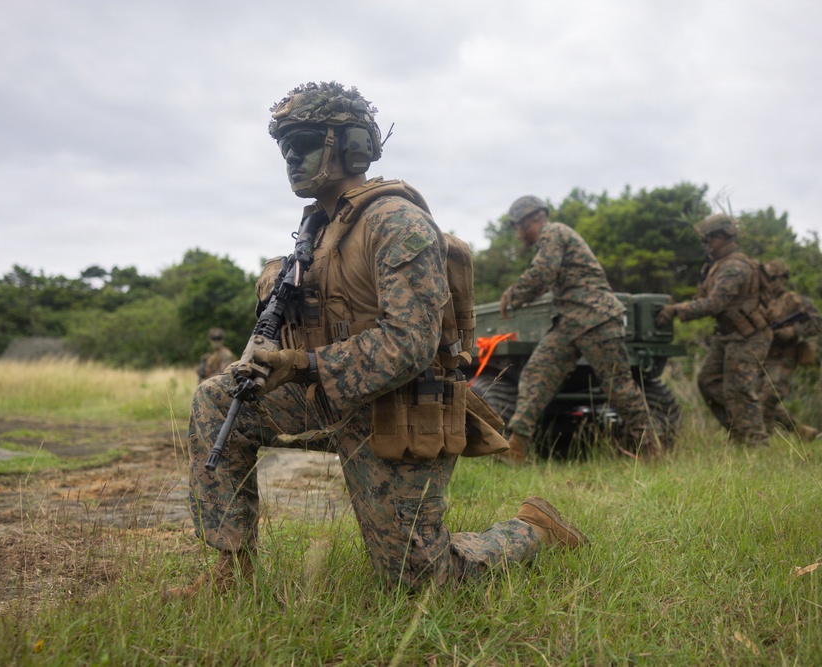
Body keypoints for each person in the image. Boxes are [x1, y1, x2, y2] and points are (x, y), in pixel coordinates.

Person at [166, 82, 587, 599]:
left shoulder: (397, 221)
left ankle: (532, 530)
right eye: (285, 147)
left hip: (398, 407)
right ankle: (232, 571)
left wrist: (302, 364)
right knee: (218, 400)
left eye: (304, 142)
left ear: (353, 146)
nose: (291, 157)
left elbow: (410, 343)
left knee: (420, 583)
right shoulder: (318, 231)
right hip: (329, 395)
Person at [496, 196, 660, 463]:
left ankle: (651, 450)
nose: (517, 234)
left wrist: (512, 296)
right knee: (536, 374)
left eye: (517, 227)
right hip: (571, 321)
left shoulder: (553, 232)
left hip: (596, 318)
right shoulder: (553, 237)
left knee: (618, 387)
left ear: (529, 220)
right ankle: (517, 445)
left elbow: (543, 273)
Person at [655, 213, 772, 445]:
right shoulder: (719, 266)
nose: (706, 245)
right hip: (728, 334)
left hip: (748, 335)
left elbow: (715, 303)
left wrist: (677, 310)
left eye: (708, 240)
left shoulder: (734, 267)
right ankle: (739, 433)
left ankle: (756, 443)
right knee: (708, 381)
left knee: (739, 389)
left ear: (722, 237)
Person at [759, 259, 822, 440]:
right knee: (753, 397)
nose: (770, 283)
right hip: (760, 356)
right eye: (767, 279)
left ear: (782, 279)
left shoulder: (795, 301)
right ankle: (800, 431)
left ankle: (761, 440)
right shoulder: (759, 301)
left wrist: (793, 331)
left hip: (783, 356)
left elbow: (818, 324)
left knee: (769, 396)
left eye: (774, 279)